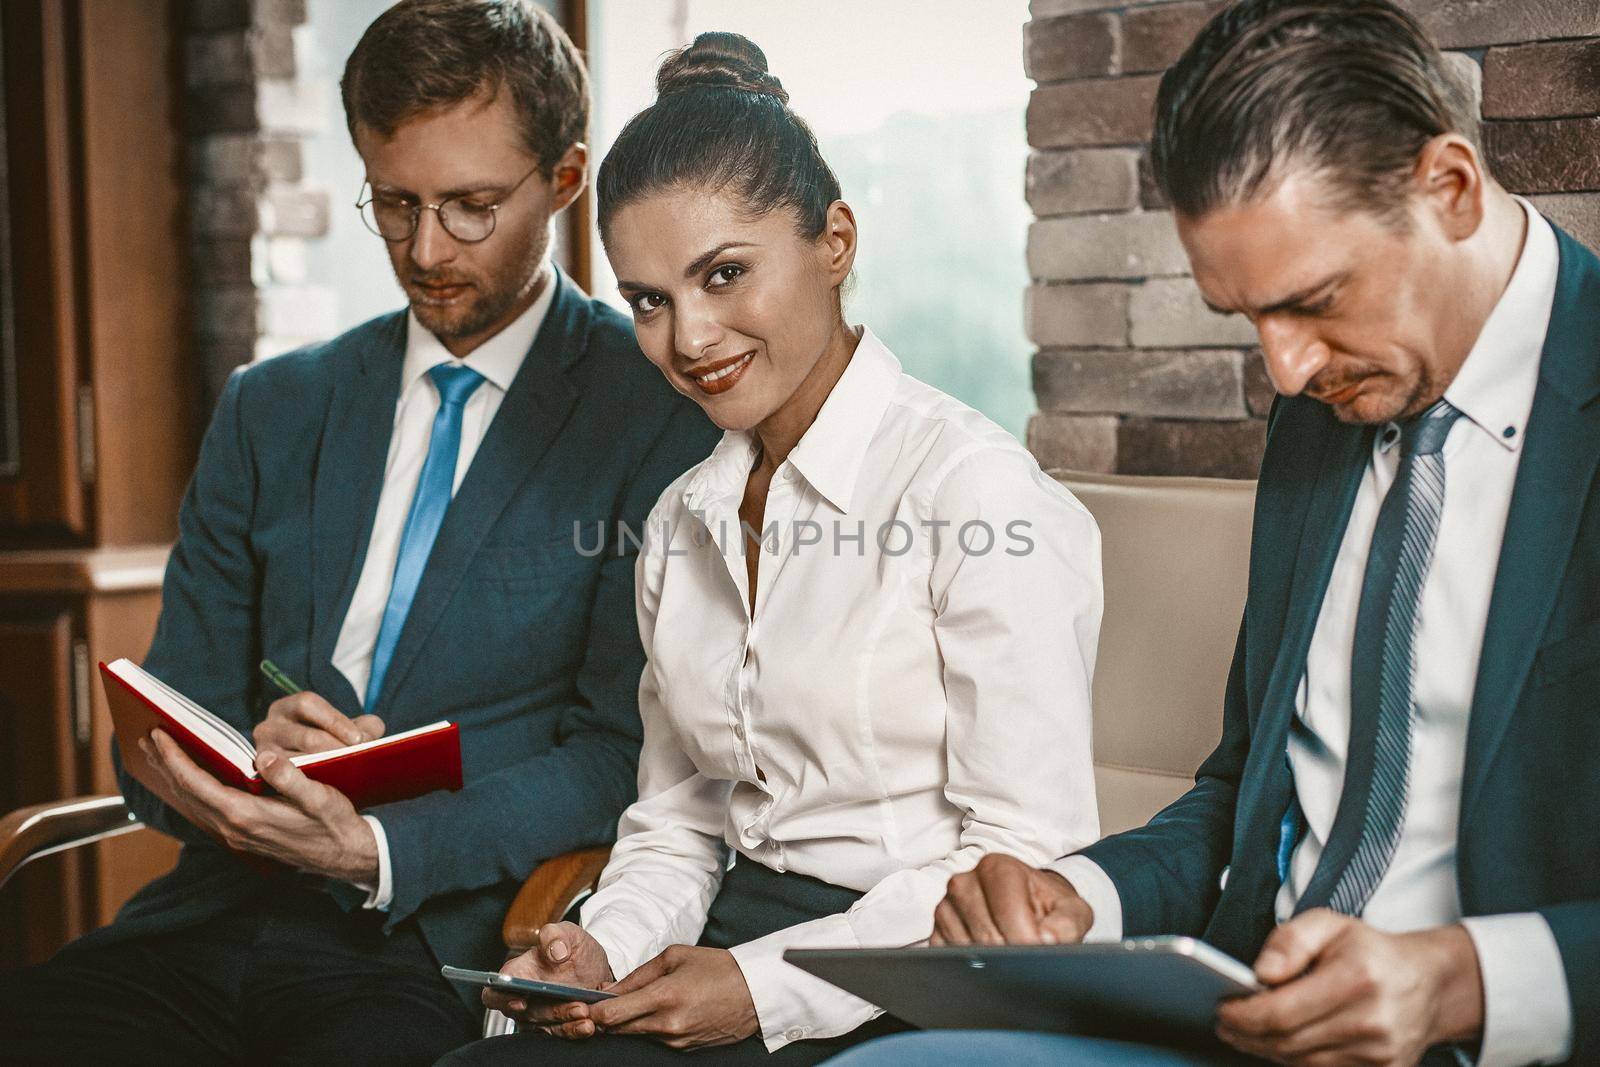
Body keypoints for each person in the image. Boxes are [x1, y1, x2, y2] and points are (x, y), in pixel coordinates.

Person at [834, 1, 1598, 1065]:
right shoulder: (1323, 411)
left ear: (1451, 189)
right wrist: (1080, 895)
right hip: (1233, 1025)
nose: (1282, 370)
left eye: (1315, 298)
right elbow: (1248, 790)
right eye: (1246, 317)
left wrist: (1461, 980)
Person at [0, 2, 717, 1063]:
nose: (425, 249)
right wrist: (242, 762)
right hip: (199, 923)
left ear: (565, 183)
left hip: (423, 943)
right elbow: (154, 730)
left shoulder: (652, 412)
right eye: (394, 204)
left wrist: (377, 843)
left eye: (471, 207)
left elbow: (618, 753)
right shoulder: (271, 406)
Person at [437, 31, 1105, 1067]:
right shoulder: (677, 520)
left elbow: (1024, 861)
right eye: (649, 301)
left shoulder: (973, 491)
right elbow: (679, 816)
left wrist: (761, 984)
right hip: (717, 946)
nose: (689, 337)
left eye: (725, 274)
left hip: (907, 978)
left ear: (834, 240)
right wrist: (604, 945)